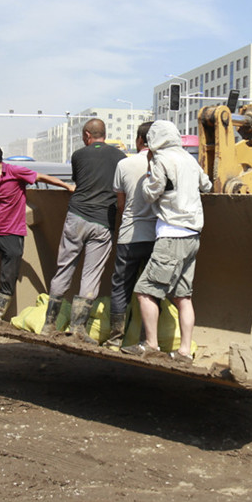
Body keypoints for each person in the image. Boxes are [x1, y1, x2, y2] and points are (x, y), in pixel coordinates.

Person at [121, 120, 212, 363]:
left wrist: (150, 167)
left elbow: (150, 194)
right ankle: (184, 351)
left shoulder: (161, 159)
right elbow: (207, 184)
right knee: (183, 296)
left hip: (172, 234)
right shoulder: (188, 159)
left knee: (144, 291)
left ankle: (150, 345)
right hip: (193, 234)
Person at [0, 142, 74, 321]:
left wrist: (67, 186)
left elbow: (41, 178)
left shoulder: (15, 172)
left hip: (13, 233)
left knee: (8, 276)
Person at [42, 118, 127, 342]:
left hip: (76, 217)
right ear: (104, 134)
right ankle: (78, 328)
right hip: (102, 222)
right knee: (91, 276)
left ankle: (49, 324)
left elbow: (80, 182)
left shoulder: (78, 155)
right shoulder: (120, 158)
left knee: (64, 268)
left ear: (88, 136)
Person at [104, 121, 155, 349]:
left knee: (121, 286)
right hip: (156, 237)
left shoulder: (124, 164)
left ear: (139, 140)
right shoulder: (164, 164)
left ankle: (115, 338)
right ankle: (148, 341)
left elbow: (121, 204)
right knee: (153, 289)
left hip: (129, 236)